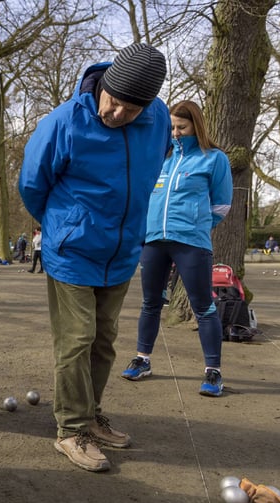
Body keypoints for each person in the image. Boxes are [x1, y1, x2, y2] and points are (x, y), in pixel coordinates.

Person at [18, 43, 170, 472]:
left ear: (147, 106)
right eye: (113, 102)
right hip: (72, 250)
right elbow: (32, 184)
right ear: (104, 86)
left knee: (104, 340)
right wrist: (65, 225)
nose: (117, 114)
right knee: (77, 338)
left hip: (122, 251)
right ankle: (70, 430)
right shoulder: (64, 121)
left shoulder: (159, 119)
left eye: (131, 110)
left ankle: (91, 415)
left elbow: (152, 170)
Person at [120, 100, 233, 398]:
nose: (175, 133)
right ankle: (142, 360)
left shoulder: (214, 158)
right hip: (154, 241)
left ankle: (213, 371)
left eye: (181, 127)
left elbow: (222, 205)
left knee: (203, 307)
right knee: (150, 303)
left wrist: (196, 224)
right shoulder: (162, 159)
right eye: (171, 128)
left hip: (191, 242)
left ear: (196, 126)